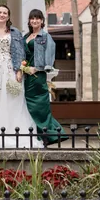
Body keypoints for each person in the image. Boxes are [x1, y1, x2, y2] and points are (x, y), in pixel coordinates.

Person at [0, 5, 42, 148]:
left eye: (5, 13)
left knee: (11, 98)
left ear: (8, 16)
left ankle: (11, 132)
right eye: (0, 12)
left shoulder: (14, 32)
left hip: (9, 67)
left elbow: (20, 52)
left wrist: (19, 70)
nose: (2, 15)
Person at [24, 9, 67, 145]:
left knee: (39, 106)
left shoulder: (45, 37)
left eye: (38, 18)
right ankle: (36, 135)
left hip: (38, 76)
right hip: (26, 75)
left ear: (42, 21)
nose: (35, 21)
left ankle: (49, 135)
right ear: (29, 21)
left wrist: (37, 68)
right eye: (32, 18)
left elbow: (49, 57)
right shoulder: (26, 36)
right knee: (27, 106)